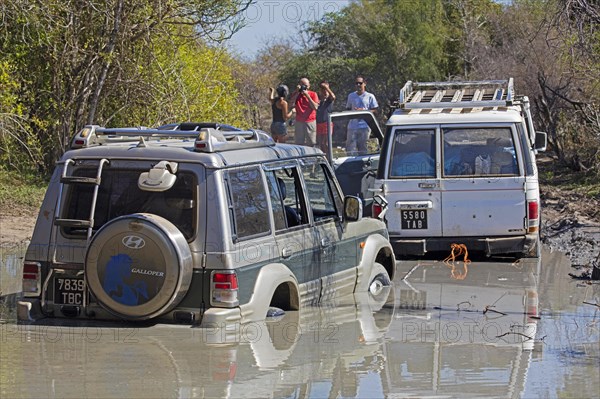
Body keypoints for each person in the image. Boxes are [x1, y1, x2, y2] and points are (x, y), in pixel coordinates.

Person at [345, 75, 378, 155]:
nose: (358, 85)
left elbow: (375, 110)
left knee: (363, 149)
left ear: (365, 83)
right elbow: (348, 109)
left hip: (364, 127)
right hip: (352, 126)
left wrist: (364, 111)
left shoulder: (370, 96)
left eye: (360, 83)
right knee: (350, 149)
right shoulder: (351, 96)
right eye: (356, 83)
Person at [289, 77, 319, 147]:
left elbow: (315, 107)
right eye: (302, 85)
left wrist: (307, 96)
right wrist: (297, 92)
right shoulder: (296, 94)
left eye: (305, 85)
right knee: (299, 143)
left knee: (311, 142)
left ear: (309, 86)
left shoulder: (313, 94)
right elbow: (290, 105)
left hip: (310, 121)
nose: (303, 87)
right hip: (299, 121)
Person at [316, 81, 336, 154]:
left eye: (325, 89)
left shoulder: (329, 100)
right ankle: (324, 157)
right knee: (321, 144)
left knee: (326, 143)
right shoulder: (318, 100)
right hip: (319, 123)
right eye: (322, 89)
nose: (324, 91)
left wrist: (327, 88)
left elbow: (333, 96)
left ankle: (329, 157)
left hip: (327, 123)